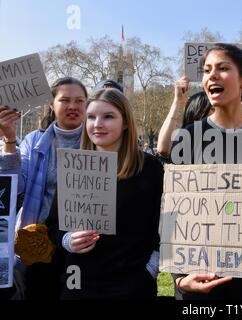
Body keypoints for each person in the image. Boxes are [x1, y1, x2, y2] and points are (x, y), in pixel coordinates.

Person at [170, 43, 242, 300]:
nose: (212, 75)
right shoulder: (187, 137)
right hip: (198, 278)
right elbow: (172, 212)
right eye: (207, 70)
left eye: (223, 68)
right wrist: (179, 278)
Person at [46, 88, 163, 300]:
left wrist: (150, 270)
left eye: (108, 116)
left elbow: (163, 228)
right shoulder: (74, 166)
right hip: (79, 283)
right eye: (91, 117)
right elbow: (53, 225)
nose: (97, 124)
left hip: (132, 285)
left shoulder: (150, 168)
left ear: (126, 122)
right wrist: (67, 240)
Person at [0, 77, 88, 300]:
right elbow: (17, 188)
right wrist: (10, 140)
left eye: (79, 100)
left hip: (83, 242)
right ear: (51, 103)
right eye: (65, 99)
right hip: (39, 243)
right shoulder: (35, 140)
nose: (72, 106)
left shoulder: (97, 139)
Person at [157, 76, 214, 160]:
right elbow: (163, 150)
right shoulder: (185, 142)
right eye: (213, 109)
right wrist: (177, 100)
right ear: (198, 112)